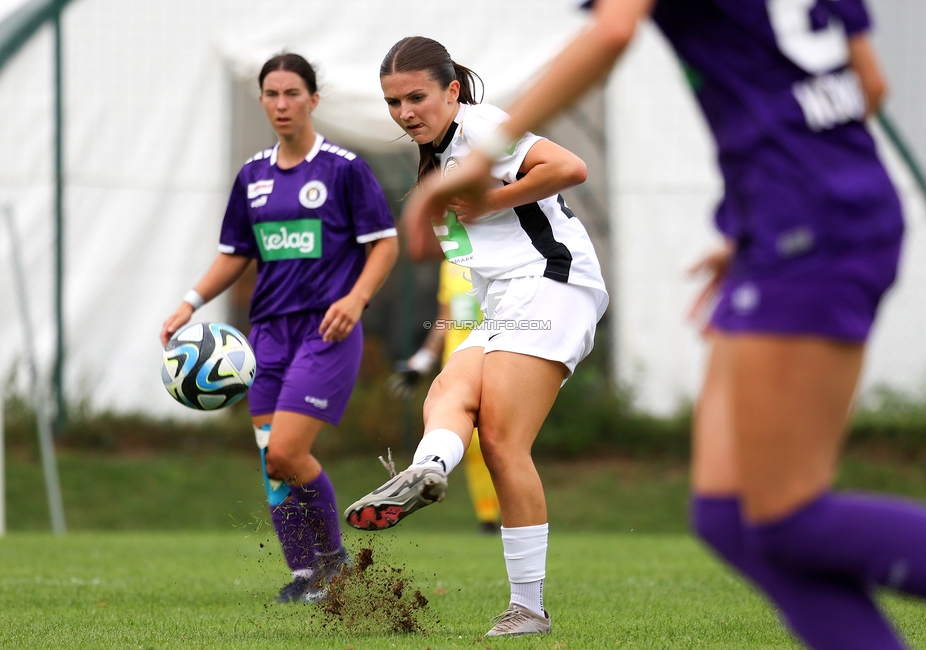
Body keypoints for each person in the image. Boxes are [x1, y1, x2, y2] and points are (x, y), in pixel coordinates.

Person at [400, 1, 926, 648]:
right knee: (725, 518)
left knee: (787, 516)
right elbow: (867, 86)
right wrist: (776, 201)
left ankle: (522, 601)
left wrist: (482, 166)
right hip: (791, 221)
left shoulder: (475, 135)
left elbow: (613, 31)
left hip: (809, 228)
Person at [343, 36, 608, 637]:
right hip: (508, 299)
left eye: (417, 97)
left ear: (452, 92)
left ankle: (529, 609)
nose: (405, 112)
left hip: (552, 283)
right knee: (448, 393)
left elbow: (570, 167)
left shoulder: (481, 128)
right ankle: (429, 470)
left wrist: (485, 200)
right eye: (393, 102)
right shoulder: (437, 156)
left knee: (505, 442)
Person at [160, 53, 398, 604]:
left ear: (313, 99)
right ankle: (303, 575)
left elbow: (384, 243)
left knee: (288, 451)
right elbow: (234, 254)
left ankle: (334, 562)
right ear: (263, 100)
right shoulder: (253, 177)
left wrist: (356, 299)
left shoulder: (343, 168)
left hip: (327, 331)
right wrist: (188, 303)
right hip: (266, 336)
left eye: (293, 93)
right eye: (272, 94)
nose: (282, 104)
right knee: (273, 462)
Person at [386, 259, 503, 535]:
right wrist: (423, 361)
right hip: (456, 367)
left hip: (493, 361)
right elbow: (447, 319)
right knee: (471, 444)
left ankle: (506, 516)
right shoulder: (448, 266)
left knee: (492, 442)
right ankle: (487, 517)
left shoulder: (497, 256)